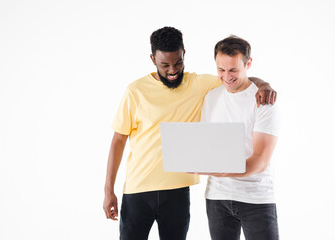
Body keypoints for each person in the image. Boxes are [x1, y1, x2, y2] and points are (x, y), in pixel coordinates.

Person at [103, 27, 277, 240]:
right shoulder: (135, 91)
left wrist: (264, 84)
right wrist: (108, 189)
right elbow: (118, 140)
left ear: (184, 54)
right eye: (164, 65)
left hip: (178, 190)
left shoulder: (200, 85)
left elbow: (238, 79)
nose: (172, 70)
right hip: (138, 190)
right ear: (152, 59)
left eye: (178, 63)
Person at [197, 35, 280, 240]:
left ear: (248, 64)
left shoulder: (263, 100)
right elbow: (208, 146)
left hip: (256, 198)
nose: (227, 76)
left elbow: (260, 161)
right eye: (221, 69)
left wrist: (220, 170)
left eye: (233, 70)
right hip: (217, 198)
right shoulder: (211, 98)